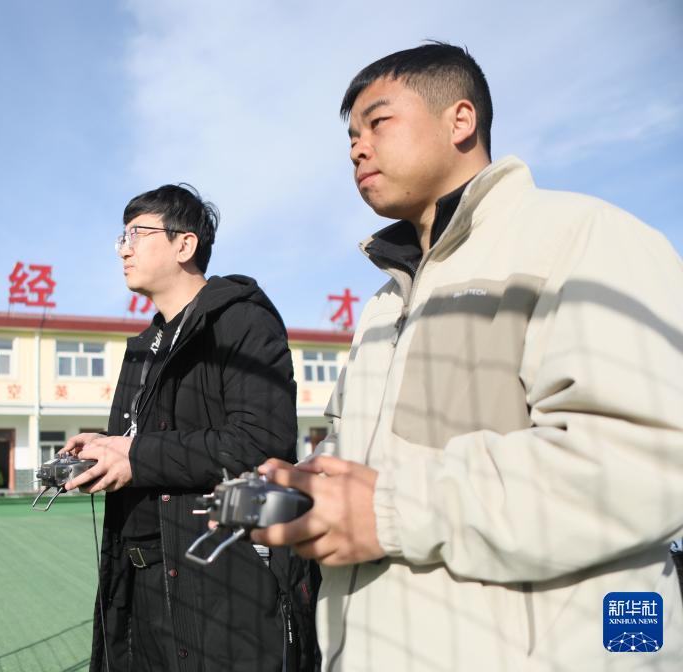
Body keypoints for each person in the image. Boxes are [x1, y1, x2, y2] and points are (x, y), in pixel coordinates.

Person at [252, 42, 683, 671]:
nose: (356, 149)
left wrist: (388, 509)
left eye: (377, 122)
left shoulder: (580, 236)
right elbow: (371, 463)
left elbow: (646, 460)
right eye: (350, 136)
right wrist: (315, 485)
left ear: (460, 120)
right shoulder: (383, 303)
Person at [62, 183, 320, 672]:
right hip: (140, 584)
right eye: (121, 237)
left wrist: (134, 455)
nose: (124, 249)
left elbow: (259, 442)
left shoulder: (240, 321)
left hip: (219, 583)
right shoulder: (145, 345)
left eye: (137, 234)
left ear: (184, 245)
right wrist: (108, 446)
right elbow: (150, 440)